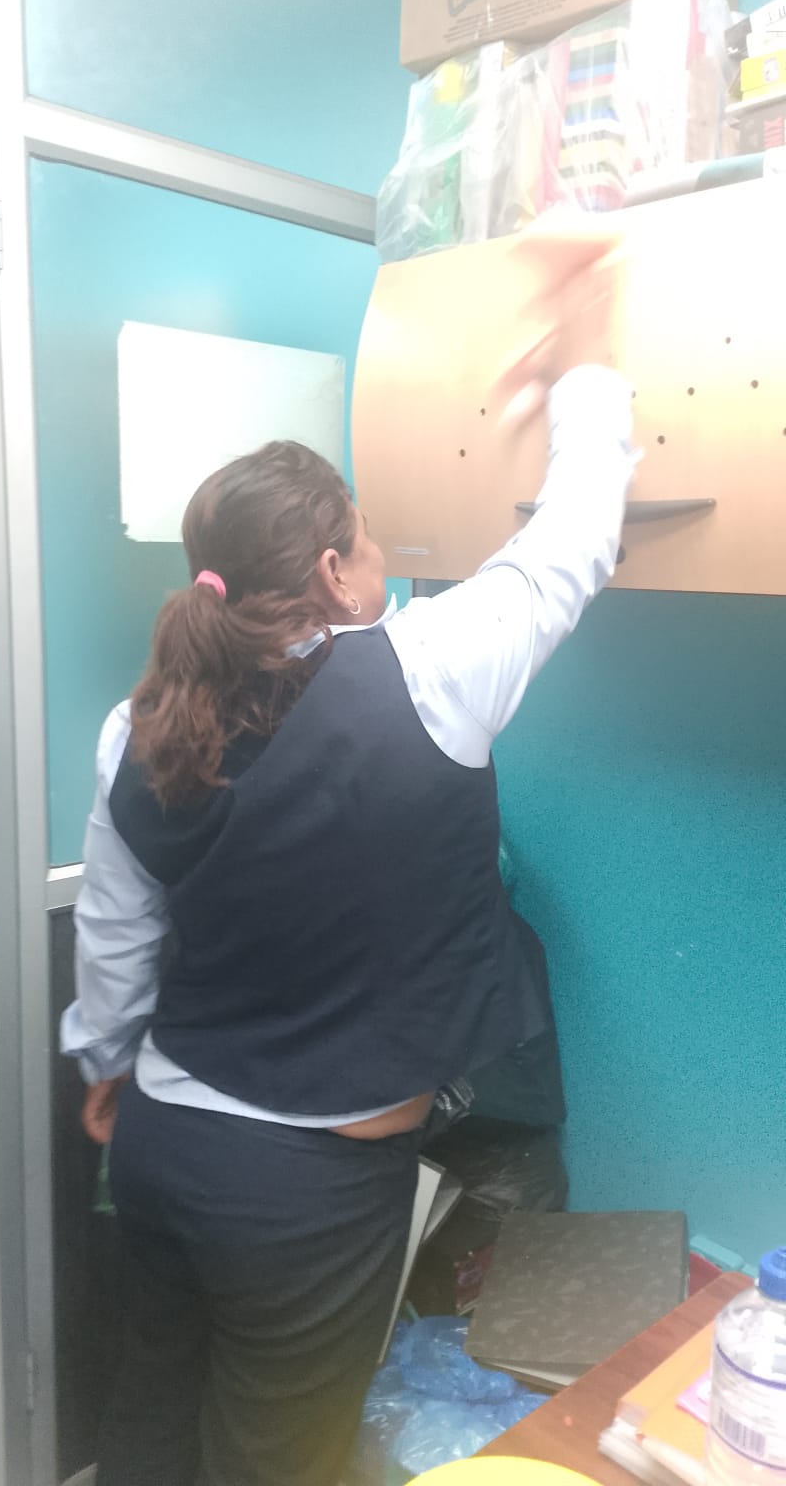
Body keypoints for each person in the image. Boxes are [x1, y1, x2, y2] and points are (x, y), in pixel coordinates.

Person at [61, 271, 638, 1486]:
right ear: (332, 569)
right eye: (368, 541)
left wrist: (104, 1064)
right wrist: (582, 371)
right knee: (278, 1460)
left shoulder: (140, 723)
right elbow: (573, 540)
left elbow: (115, 935)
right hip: (307, 1190)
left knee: (151, 1420)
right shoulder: (432, 673)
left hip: (162, 1143)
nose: (380, 560)